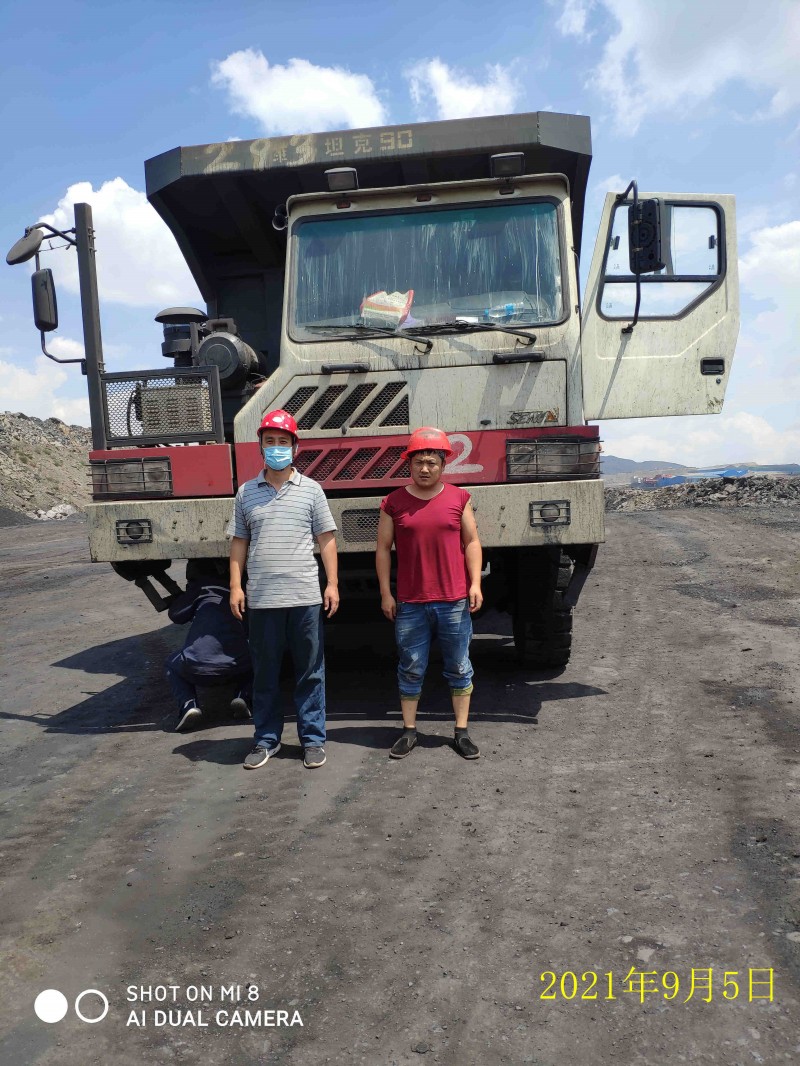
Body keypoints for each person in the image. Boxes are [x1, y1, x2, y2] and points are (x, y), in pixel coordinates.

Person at [228, 409, 339, 770]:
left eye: (283, 441)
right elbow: (239, 543)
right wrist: (235, 586)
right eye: (270, 441)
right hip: (262, 600)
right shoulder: (246, 493)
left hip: (305, 597)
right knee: (265, 673)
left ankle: (313, 740)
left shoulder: (312, 491)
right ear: (260, 446)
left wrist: (333, 584)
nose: (276, 447)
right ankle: (266, 740)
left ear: (295, 447)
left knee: (311, 671)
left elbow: (326, 540)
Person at [376, 427, 483, 760]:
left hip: (454, 601)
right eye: (419, 462)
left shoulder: (459, 498)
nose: (425, 468)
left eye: (432, 462)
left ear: (443, 465)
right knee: (410, 667)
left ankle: (461, 732)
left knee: (459, 667)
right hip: (410, 603)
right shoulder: (393, 502)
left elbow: (472, 542)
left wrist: (475, 583)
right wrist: (386, 593)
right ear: (409, 464)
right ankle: (409, 731)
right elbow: (383, 549)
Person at [165, 559, 253, 732]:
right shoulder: (242, 593)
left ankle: (188, 704)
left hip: (196, 670)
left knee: (171, 663)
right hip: (236, 667)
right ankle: (243, 695)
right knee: (259, 655)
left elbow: (176, 615)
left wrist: (185, 598)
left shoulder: (201, 589)